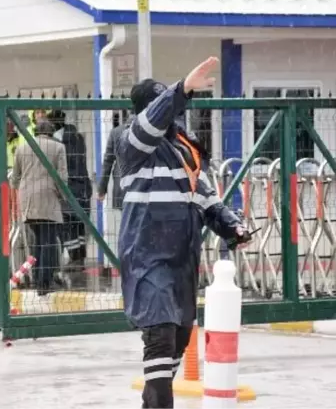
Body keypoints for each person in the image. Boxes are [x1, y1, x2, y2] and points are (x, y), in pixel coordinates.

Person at [116, 57, 251, 409]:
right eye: (160, 108)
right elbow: (151, 122)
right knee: (159, 334)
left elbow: (206, 198)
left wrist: (231, 225)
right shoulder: (134, 145)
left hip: (182, 259)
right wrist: (182, 89)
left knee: (177, 338)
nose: (170, 116)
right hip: (147, 254)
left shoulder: (185, 151)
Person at [11, 120, 68, 295]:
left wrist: (24, 189)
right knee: (49, 241)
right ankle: (45, 282)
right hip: (48, 197)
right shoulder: (58, 147)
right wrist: (63, 197)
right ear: (51, 133)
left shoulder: (22, 148)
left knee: (37, 241)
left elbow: (15, 178)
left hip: (28, 199)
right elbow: (62, 177)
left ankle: (37, 278)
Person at [47, 110, 92, 279]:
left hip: (70, 187)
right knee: (79, 224)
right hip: (83, 185)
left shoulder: (60, 140)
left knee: (68, 224)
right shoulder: (77, 136)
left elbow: (64, 165)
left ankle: (75, 259)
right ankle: (79, 258)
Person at [96, 112, 130, 276]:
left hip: (124, 188)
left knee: (127, 228)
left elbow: (107, 161)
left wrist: (101, 189)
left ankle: (126, 262)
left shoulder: (117, 132)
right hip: (149, 189)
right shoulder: (153, 129)